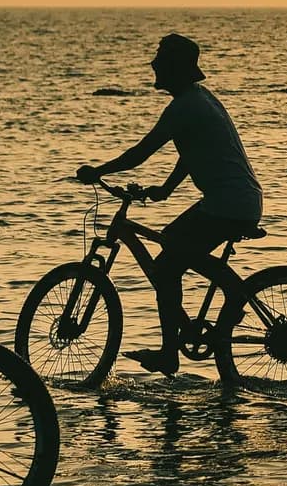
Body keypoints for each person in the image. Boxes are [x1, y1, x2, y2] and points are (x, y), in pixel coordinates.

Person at [75, 33, 264, 376]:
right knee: (174, 246)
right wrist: (165, 189)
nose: (154, 65)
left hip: (229, 203)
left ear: (174, 69)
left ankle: (170, 352)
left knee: (165, 265)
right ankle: (231, 296)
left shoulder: (184, 106)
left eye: (160, 61)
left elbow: (141, 153)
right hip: (238, 201)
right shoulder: (200, 99)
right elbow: (192, 152)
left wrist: (98, 171)